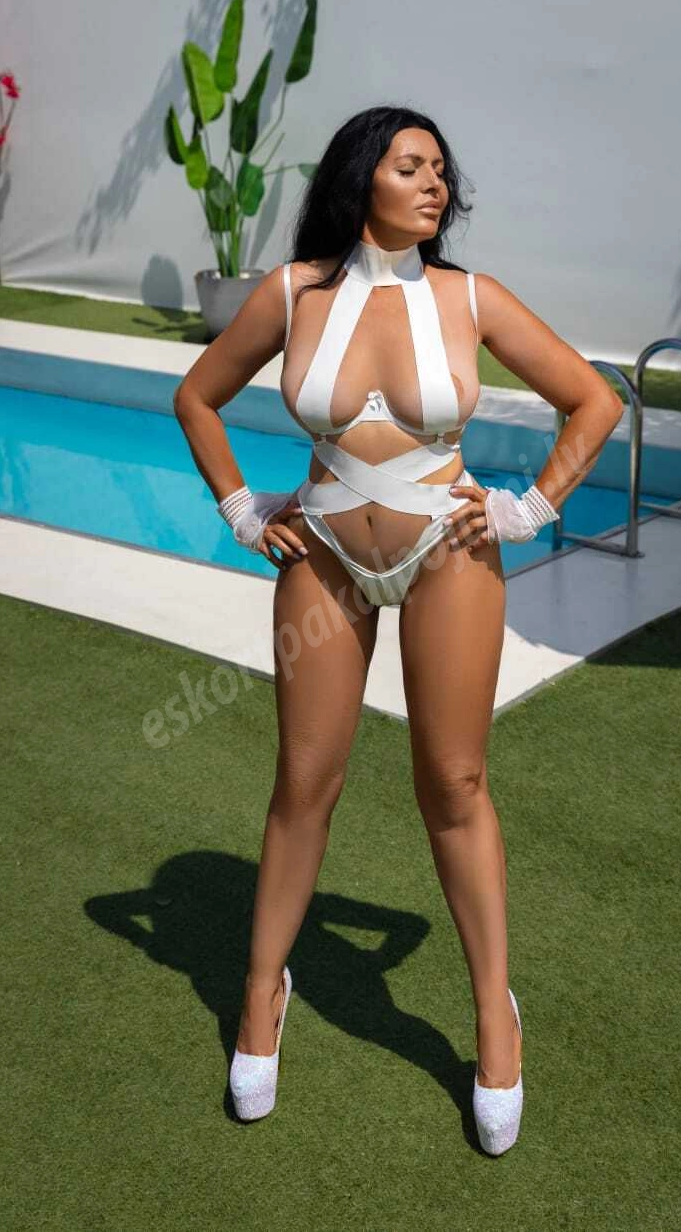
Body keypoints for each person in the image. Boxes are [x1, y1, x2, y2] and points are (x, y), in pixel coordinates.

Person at [173, 105, 624, 1155]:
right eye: (411, 166)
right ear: (359, 178)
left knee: (452, 784)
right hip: (323, 556)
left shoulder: (469, 297)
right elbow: (197, 397)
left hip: (447, 558)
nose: (435, 185)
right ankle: (261, 993)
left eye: (440, 171)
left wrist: (527, 507)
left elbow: (592, 402)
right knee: (304, 783)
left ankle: (493, 1018)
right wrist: (241, 508)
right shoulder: (293, 292)